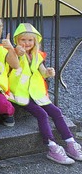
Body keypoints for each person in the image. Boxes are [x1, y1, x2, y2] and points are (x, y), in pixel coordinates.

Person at [7, 23, 82, 165]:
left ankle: (70, 142)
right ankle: (51, 146)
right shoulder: (15, 53)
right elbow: (13, 60)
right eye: (23, 40)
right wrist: (15, 50)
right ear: (17, 41)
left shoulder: (37, 55)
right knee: (42, 114)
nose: (27, 43)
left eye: (30, 40)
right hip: (20, 93)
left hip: (36, 92)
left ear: (35, 42)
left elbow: (42, 71)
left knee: (57, 112)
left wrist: (48, 72)